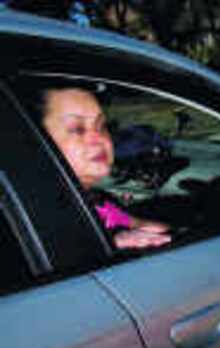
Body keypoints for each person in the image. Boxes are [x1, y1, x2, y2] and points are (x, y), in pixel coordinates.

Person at [38, 85, 171, 249]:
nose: (99, 138)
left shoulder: (95, 199)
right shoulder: (33, 215)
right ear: (35, 142)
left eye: (101, 126)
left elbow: (140, 225)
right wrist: (111, 246)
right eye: (77, 129)